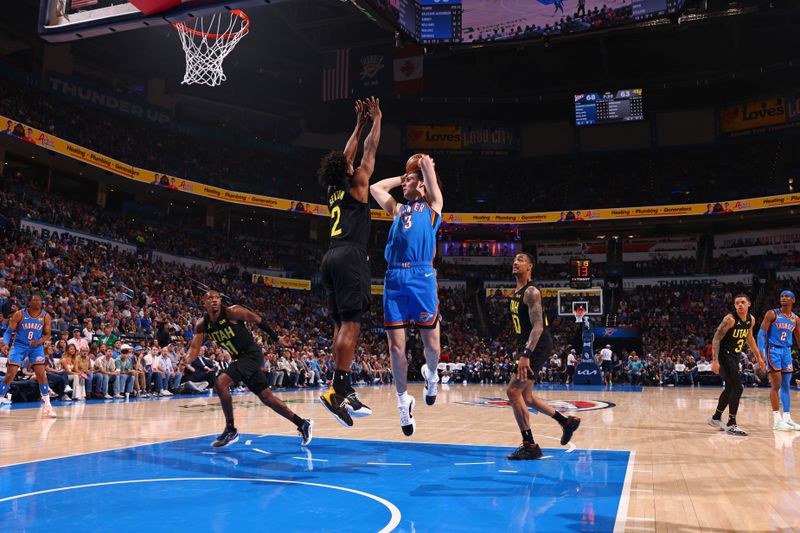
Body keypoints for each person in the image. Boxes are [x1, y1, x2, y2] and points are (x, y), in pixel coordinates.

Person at [318, 97, 381, 427]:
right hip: (351, 256)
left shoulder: (332, 187)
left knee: (339, 326)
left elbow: (347, 155)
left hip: (330, 255)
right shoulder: (358, 184)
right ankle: (339, 386)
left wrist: (358, 123)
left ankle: (338, 385)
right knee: (352, 325)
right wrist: (377, 121)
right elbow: (367, 153)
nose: (353, 164)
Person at [370, 153, 443, 437]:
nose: (404, 185)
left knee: (433, 347)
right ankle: (403, 401)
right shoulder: (398, 210)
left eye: (410, 181)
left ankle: (432, 375)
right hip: (394, 278)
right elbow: (376, 188)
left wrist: (423, 164)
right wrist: (404, 177)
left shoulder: (433, 207)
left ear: (422, 186)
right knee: (395, 349)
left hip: (422, 277)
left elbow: (429, 176)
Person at [186, 290, 313, 448]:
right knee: (267, 398)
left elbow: (258, 319)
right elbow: (194, 349)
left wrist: (276, 338)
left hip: (251, 355)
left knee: (220, 383)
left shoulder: (232, 312)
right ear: (203, 301)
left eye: (217, 297)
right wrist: (186, 360)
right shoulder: (202, 323)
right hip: (239, 359)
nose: (214, 300)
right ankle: (303, 423)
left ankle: (231, 429)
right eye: (210, 298)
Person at [505, 253, 580, 460]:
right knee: (526, 397)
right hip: (528, 344)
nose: (515, 262)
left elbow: (538, 326)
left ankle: (530, 445)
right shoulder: (517, 292)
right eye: (515, 259)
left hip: (537, 344)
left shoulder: (531, 292)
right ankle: (567, 422)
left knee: (512, 391)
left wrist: (526, 354)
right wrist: (521, 349)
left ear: (529, 266)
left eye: (520, 260)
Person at [708, 294, 765, 436]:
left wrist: (759, 357)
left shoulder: (751, 320)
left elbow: (749, 338)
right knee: (738, 388)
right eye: (737, 303)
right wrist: (714, 360)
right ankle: (731, 423)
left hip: (735, 356)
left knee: (729, 388)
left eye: (742, 302)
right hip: (724, 355)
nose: (740, 305)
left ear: (749, 304)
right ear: (734, 305)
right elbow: (716, 338)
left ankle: (715, 418)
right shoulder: (730, 319)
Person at [0, 294, 56, 417]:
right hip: (19, 346)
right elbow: (9, 332)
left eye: (39, 300)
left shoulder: (45, 316)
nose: (37, 302)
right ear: (29, 302)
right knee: (10, 375)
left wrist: (38, 342)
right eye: (35, 300)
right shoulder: (20, 314)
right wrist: (5, 344)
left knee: (41, 374)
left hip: (35, 348)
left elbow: (47, 334)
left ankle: (47, 405)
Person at [759, 290, 800, 431]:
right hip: (773, 350)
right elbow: (760, 334)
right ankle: (777, 419)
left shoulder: (796, 319)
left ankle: (787, 418)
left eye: (787, 296)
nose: (784, 298)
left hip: (787, 351)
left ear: (793, 300)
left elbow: (799, 339)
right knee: (776, 385)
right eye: (782, 296)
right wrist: (760, 354)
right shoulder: (772, 314)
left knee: (786, 385)